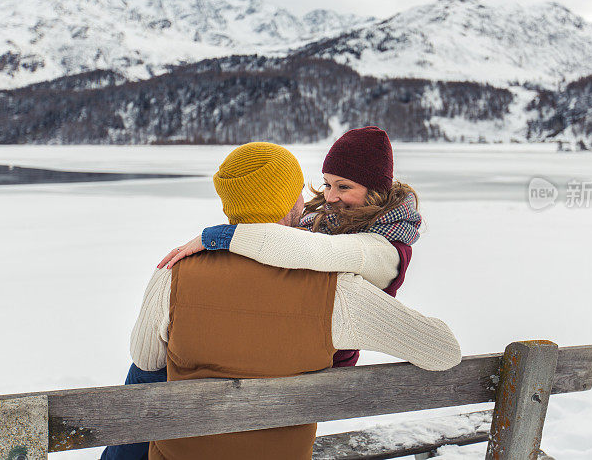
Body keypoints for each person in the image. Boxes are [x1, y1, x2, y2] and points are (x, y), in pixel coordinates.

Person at [102, 142, 460, 460]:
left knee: (146, 376)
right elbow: (442, 350)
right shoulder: (338, 291)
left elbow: (147, 361)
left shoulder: (172, 273)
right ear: (293, 202)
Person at [160, 126, 420, 368]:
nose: (330, 196)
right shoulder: (323, 220)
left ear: (375, 190)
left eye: (344, 186)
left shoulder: (385, 250)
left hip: (320, 366)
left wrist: (219, 236)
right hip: (285, 351)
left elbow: (314, 250)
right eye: (327, 183)